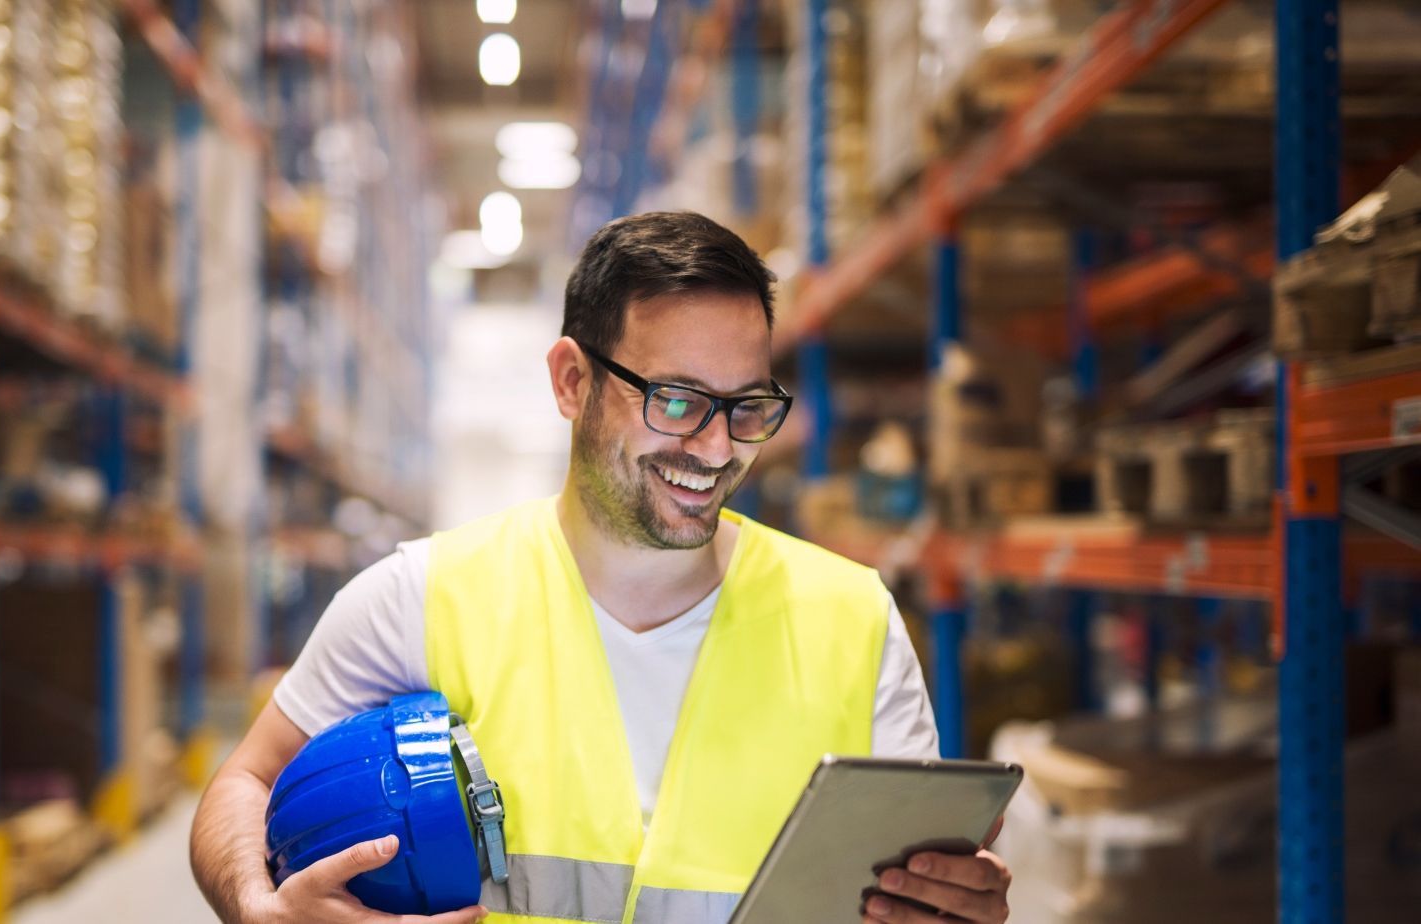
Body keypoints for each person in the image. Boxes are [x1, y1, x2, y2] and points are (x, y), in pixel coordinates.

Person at [189, 212, 1014, 924]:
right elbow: (245, 783)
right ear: (572, 381)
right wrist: (259, 908)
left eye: (747, 407)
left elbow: (906, 892)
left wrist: (952, 904)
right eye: (679, 401)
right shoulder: (421, 599)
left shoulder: (854, 621)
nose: (718, 448)